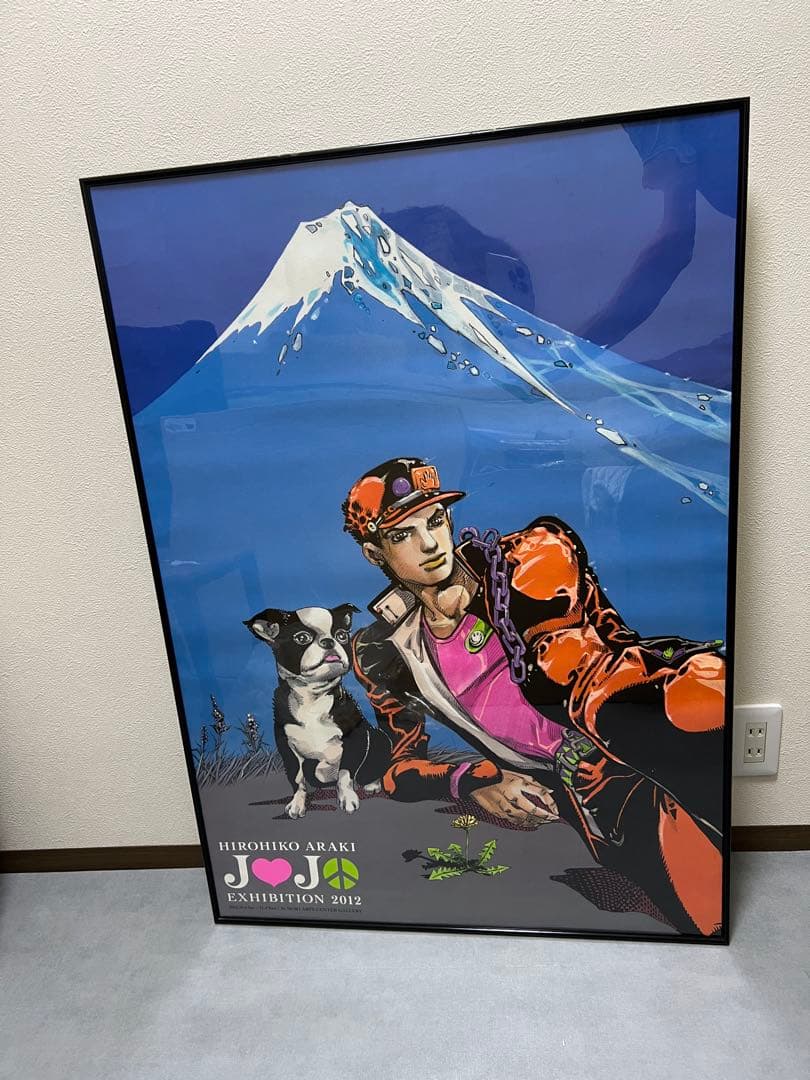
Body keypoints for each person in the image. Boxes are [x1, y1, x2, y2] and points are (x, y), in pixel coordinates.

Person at [343, 457, 726, 936]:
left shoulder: (528, 559)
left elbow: (575, 668)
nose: (430, 543)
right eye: (403, 534)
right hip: (595, 794)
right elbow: (399, 770)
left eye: (436, 520)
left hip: (648, 717)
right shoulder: (382, 652)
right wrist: (472, 780)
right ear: (373, 553)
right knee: (706, 909)